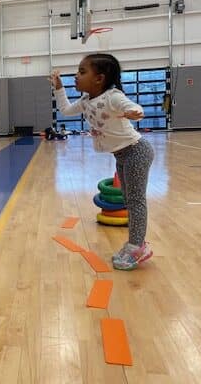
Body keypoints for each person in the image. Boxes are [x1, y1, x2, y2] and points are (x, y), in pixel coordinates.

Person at [50, 54, 154, 270]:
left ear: (99, 79)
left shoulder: (112, 97)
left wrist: (135, 112)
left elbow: (134, 107)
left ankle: (137, 246)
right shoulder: (86, 101)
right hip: (122, 155)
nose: (76, 76)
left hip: (137, 152)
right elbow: (65, 110)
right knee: (129, 199)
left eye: (82, 72)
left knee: (135, 201)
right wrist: (59, 87)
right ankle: (135, 243)